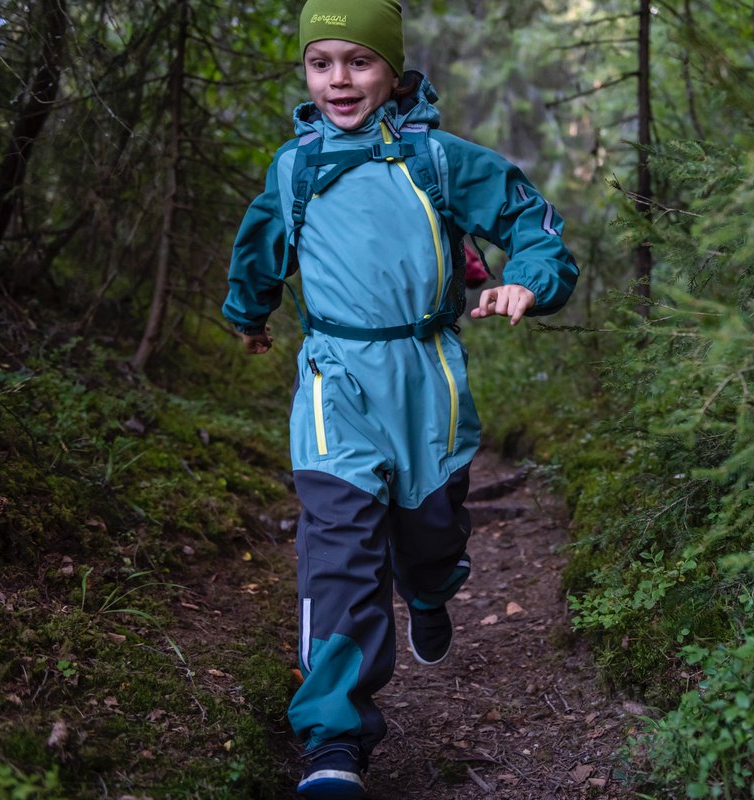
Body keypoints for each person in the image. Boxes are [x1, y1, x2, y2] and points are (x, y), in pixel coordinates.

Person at [221, 2, 578, 797]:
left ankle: (429, 585)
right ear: (306, 73)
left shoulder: (439, 160)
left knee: (433, 530)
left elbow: (534, 224)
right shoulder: (293, 169)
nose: (339, 80)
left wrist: (527, 280)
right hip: (333, 380)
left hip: (427, 376)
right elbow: (260, 249)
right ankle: (333, 741)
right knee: (338, 549)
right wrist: (248, 317)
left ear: (392, 69)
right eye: (322, 63)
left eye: (359, 61)